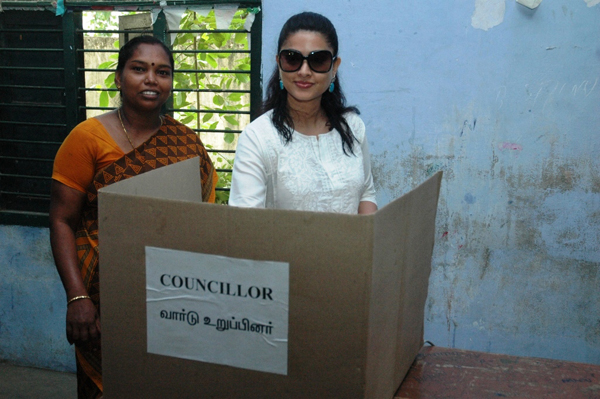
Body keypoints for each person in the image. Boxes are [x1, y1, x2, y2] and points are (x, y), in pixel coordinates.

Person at [49, 35, 217, 399]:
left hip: (170, 298)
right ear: (118, 77)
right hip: (103, 300)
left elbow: (204, 224)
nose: (151, 79)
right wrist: (77, 298)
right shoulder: (86, 139)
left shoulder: (187, 144)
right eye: (139, 69)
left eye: (163, 72)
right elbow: (61, 220)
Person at [229, 12, 377, 214]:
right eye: (292, 59)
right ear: (279, 64)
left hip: (354, 246)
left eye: (318, 60)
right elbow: (245, 221)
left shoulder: (352, 127)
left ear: (334, 67)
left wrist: (368, 241)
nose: (304, 71)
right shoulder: (257, 138)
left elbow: (366, 193)